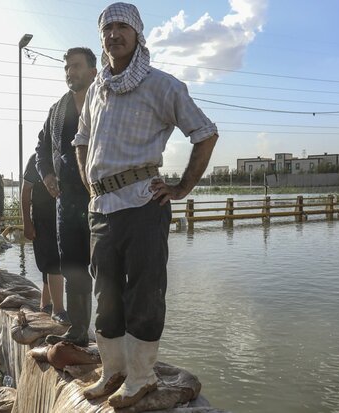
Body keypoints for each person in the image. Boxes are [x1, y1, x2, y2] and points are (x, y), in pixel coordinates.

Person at [73, 3, 219, 408]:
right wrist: (89, 184)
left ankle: (141, 377)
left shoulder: (161, 85)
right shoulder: (97, 90)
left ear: (137, 34)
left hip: (142, 203)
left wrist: (182, 187)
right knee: (106, 295)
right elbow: (81, 139)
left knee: (144, 294)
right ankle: (113, 371)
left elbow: (204, 133)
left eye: (123, 27)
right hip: (102, 208)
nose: (114, 34)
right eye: (107, 28)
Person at [35, 47, 97, 347]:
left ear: (93, 71)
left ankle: (114, 336)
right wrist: (47, 175)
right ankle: (78, 329)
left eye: (76, 66)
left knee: (108, 267)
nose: (70, 72)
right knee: (72, 265)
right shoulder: (57, 109)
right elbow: (42, 149)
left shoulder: (108, 101)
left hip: (103, 198)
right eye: (67, 68)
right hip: (66, 202)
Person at [22, 153, 69, 325]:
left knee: (58, 261)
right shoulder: (36, 159)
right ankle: (59, 309)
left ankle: (45, 302)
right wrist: (27, 222)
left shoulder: (67, 156)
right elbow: (26, 191)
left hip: (64, 215)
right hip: (43, 218)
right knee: (52, 261)